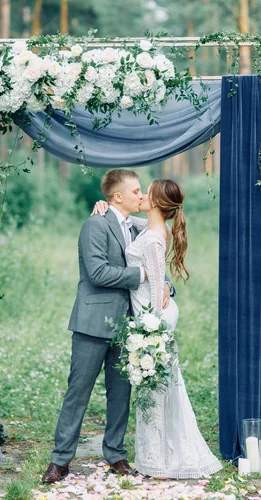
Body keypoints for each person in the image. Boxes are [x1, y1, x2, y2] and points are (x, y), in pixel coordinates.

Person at [41, 169, 172, 484]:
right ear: (118, 197)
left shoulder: (136, 226)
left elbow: (158, 242)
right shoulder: (94, 225)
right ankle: (60, 461)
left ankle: (115, 455)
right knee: (78, 392)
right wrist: (143, 275)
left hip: (127, 326)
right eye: (137, 191)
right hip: (92, 324)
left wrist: (164, 282)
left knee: (120, 393)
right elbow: (98, 273)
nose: (142, 196)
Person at [94, 179, 222, 479]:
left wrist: (149, 334)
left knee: (157, 390)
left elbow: (153, 291)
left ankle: (160, 461)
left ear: (157, 202)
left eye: (145, 192)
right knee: (163, 388)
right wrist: (102, 207)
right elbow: (125, 221)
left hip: (153, 319)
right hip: (153, 316)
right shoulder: (152, 227)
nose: (141, 195)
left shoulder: (153, 237)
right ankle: (160, 456)